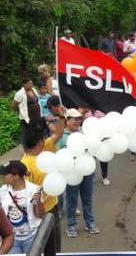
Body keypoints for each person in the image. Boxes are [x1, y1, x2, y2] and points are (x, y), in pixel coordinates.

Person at [56, 109, 100, 237]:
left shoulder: (85, 133)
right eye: (75, 119)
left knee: (87, 199)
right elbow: (58, 154)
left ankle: (90, 223)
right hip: (71, 174)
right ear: (67, 120)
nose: (77, 121)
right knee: (72, 199)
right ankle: (71, 225)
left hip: (87, 171)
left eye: (79, 118)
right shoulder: (61, 135)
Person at [21, 124, 64, 255]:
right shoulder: (39, 163)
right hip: (46, 210)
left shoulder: (23, 162)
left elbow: (57, 134)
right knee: (52, 246)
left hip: (34, 211)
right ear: (40, 142)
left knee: (38, 245)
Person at [0, 160, 44, 254]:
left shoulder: (34, 190)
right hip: (11, 239)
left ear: (16, 176)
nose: (2, 176)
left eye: (5, 174)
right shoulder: (2, 190)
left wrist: (38, 201)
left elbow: (40, 216)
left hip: (31, 237)